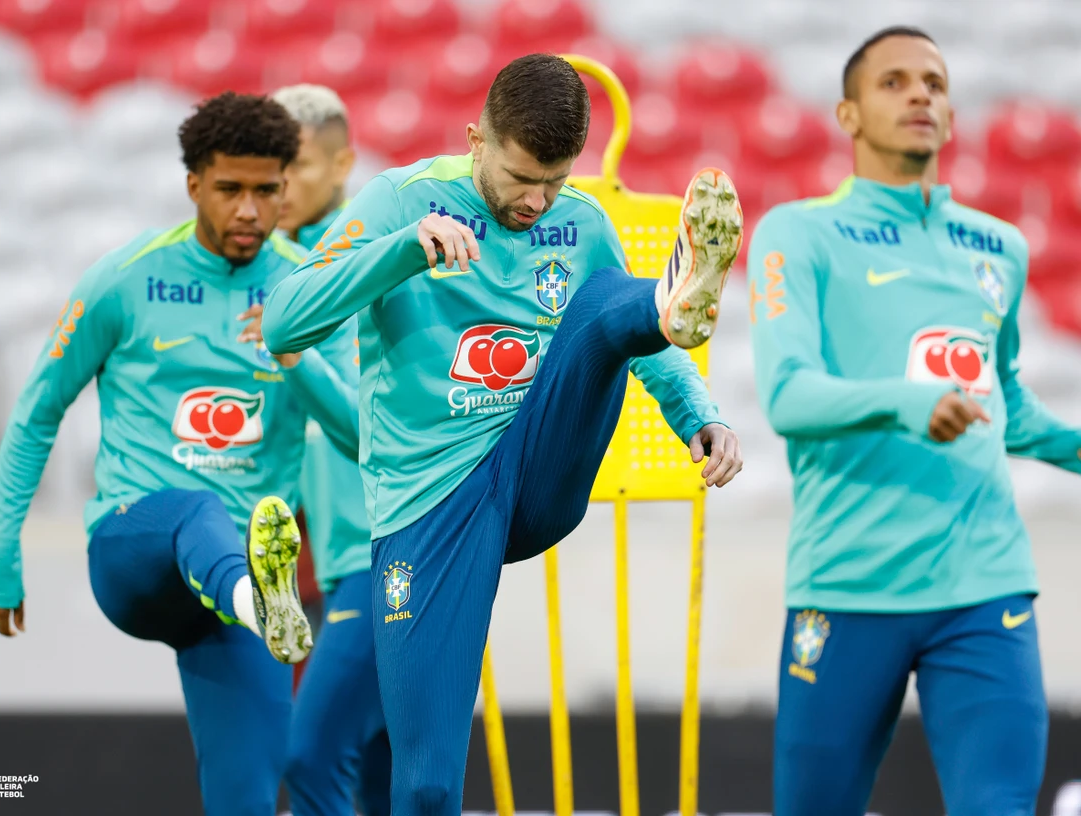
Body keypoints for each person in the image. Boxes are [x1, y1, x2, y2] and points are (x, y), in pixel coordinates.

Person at [260, 54, 745, 814]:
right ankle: (658, 300)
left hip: (536, 467)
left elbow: (638, 350)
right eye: (523, 177)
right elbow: (285, 320)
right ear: (476, 138)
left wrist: (701, 416)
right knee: (423, 786)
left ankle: (669, 295)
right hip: (432, 504)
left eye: (556, 178)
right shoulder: (403, 200)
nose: (538, 200)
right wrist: (403, 252)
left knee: (601, 316)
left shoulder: (577, 220)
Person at [747, 26, 1081, 816]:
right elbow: (788, 397)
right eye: (893, 82)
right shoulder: (797, 233)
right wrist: (907, 402)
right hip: (849, 581)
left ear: (954, 116)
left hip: (984, 585)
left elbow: (1002, 405)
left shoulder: (998, 246)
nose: (920, 95)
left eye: (933, 82)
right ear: (848, 115)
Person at [0, 92, 317, 816]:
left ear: (288, 185)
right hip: (138, 553)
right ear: (193, 184)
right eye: (230, 190)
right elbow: (39, 410)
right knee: (196, 509)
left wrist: (296, 359)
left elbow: (354, 431)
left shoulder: (308, 288)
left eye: (266, 190)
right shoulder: (125, 279)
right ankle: (256, 599)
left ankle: (253, 601)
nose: (249, 211)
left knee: (249, 799)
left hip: (241, 589)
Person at [248, 82, 392, 816]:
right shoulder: (270, 270)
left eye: (294, 166)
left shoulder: (371, 268)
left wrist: (289, 353)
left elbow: (367, 430)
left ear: (344, 166)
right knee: (380, 776)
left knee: (311, 758)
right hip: (333, 560)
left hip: (387, 550)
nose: (276, 185)